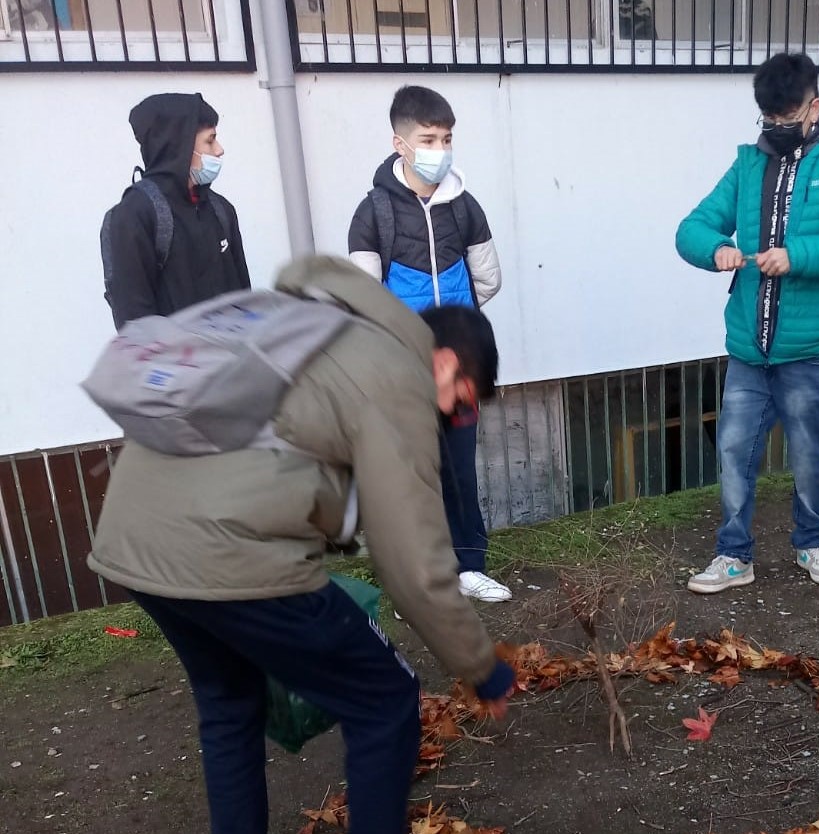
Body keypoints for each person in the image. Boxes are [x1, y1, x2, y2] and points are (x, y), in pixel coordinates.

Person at [87, 256, 516, 834]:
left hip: (135, 538)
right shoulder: (398, 373)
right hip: (229, 551)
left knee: (229, 702)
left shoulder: (312, 321)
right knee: (386, 699)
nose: (456, 418)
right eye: (463, 402)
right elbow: (414, 561)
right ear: (443, 362)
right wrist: (480, 667)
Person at [675, 52, 819, 594]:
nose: (776, 130)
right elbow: (692, 228)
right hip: (749, 346)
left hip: (812, 346)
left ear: (814, 107)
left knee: (808, 451)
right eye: (768, 121)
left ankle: (812, 541)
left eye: (787, 119)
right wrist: (716, 249)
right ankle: (733, 555)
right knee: (732, 450)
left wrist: (796, 255)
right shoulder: (747, 165)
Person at [348, 85, 511, 604]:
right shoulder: (373, 214)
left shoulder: (465, 208)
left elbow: (488, 279)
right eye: (428, 139)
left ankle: (469, 565)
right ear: (400, 143)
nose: (439, 149)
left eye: (446, 138)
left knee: (460, 470)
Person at [103, 93, 251, 329]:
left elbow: (245, 298)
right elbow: (134, 321)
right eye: (210, 140)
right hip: (176, 363)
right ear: (179, 145)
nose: (219, 150)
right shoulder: (134, 215)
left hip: (233, 362)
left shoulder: (221, 210)